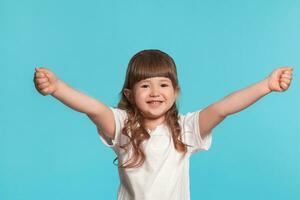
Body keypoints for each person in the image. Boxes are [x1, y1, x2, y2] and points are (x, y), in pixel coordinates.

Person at [33, 49, 293, 200]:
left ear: (175, 91)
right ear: (129, 94)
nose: (155, 92)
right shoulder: (123, 126)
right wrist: (58, 88)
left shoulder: (186, 129)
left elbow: (223, 107)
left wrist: (266, 86)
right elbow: (92, 108)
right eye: (145, 85)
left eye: (163, 85)